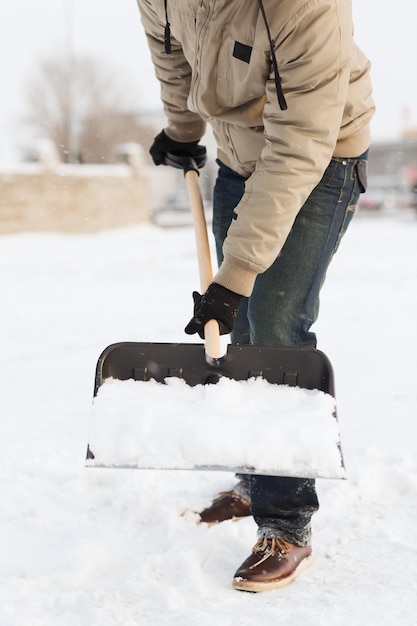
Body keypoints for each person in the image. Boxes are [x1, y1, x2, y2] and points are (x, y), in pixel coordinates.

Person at [136, 0, 374, 592]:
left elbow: (299, 150)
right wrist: (182, 130)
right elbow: (174, 56)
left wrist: (234, 275)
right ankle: (256, 476)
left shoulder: (306, 7)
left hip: (318, 160)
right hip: (240, 156)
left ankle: (286, 524)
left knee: (273, 331)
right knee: (237, 335)